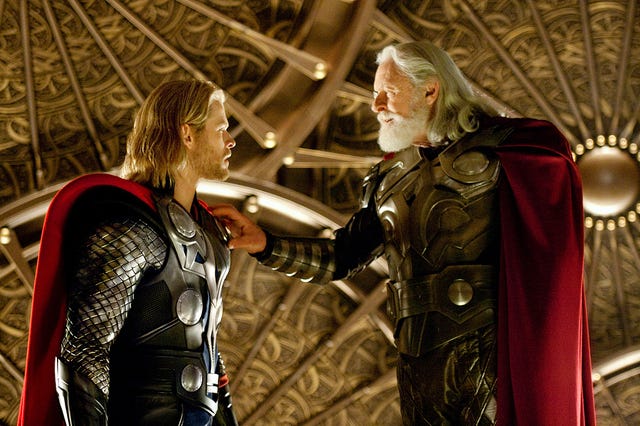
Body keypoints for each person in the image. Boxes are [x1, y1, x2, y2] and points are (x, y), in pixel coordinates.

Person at [211, 41, 597, 425]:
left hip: (489, 357)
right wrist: (266, 244)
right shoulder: (390, 178)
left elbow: (548, 256)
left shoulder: (503, 152)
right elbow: (341, 258)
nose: (377, 106)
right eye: (375, 94)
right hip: (417, 365)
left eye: (389, 92)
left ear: (430, 90)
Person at [18, 80, 239, 425]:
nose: (231, 140)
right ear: (187, 134)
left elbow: (205, 349)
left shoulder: (208, 232)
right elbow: (86, 351)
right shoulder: (132, 227)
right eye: (221, 128)